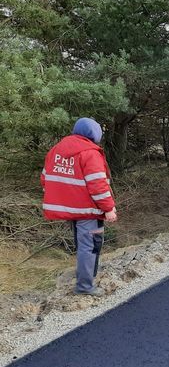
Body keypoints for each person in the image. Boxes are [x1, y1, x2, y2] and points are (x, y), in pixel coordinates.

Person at [41, 118, 117, 296]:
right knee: (89, 246)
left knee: (83, 244)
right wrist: (108, 209)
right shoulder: (90, 153)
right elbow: (97, 185)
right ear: (94, 134)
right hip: (88, 211)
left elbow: (46, 179)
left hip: (71, 210)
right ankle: (85, 286)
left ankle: (87, 276)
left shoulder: (56, 150)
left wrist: (65, 199)